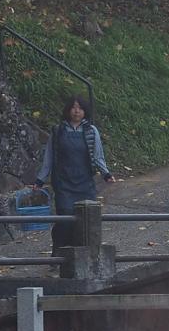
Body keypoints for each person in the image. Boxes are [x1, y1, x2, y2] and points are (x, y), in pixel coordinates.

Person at [36, 95, 114, 250]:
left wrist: (106, 174)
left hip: (85, 182)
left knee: (86, 219)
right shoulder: (58, 131)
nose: (76, 111)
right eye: (73, 107)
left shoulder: (91, 131)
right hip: (63, 183)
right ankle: (58, 254)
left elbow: (98, 156)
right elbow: (49, 158)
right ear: (68, 110)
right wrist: (40, 179)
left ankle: (83, 253)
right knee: (65, 219)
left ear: (85, 112)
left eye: (80, 108)